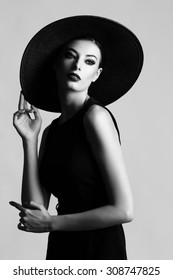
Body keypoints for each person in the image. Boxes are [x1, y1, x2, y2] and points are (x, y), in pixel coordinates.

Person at [10, 15, 143, 260]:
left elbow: (124, 210)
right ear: (55, 64)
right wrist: (30, 139)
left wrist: (52, 223)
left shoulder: (96, 117)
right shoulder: (51, 132)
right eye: (70, 56)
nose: (78, 65)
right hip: (61, 247)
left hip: (100, 249)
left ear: (96, 74)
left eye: (89, 61)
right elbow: (34, 209)